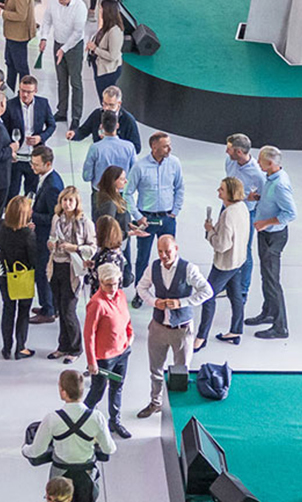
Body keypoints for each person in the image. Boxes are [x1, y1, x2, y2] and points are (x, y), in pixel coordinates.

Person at [134, 235, 211, 419]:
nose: (163, 255)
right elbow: (141, 288)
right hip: (158, 326)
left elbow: (207, 291)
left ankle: (178, 410)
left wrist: (183, 302)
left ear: (176, 248)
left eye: (167, 251)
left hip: (182, 329)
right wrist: (154, 302)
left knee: (181, 371)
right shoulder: (153, 267)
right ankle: (155, 403)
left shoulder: (188, 268)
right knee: (155, 370)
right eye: (160, 251)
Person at [23, 369, 114, 502]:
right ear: (82, 391)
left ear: (63, 391)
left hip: (60, 474)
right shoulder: (96, 418)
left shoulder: (52, 419)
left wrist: (24, 448)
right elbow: (109, 449)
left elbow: (36, 451)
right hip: (86, 475)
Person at [196, 175, 256, 348]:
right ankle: (236, 331)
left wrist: (210, 232)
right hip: (239, 260)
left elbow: (222, 245)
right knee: (236, 295)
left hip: (225, 264)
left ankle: (201, 337)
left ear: (229, 192)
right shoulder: (242, 207)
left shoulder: (228, 213)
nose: (218, 191)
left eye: (221, 189)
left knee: (207, 295)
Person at [126, 133, 184, 307]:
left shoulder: (174, 163)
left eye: (169, 144)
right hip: (147, 218)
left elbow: (179, 187)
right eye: (165, 145)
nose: (169, 148)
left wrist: (175, 211)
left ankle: (169, 291)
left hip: (167, 217)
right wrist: (138, 216)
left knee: (169, 256)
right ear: (154, 147)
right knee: (143, 257)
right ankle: (140, 293)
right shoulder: (140, 166)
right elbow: (127, 193)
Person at [247, 145, 297, 339]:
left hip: (273, 236)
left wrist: (266, 223)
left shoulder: (280, 184)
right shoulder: (272, 178)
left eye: (260, 160)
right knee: (266, 277)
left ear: (269, 163)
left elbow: (290, 213)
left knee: (272, 281)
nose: (257, 162)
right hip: (266, 233)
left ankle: (280, 326)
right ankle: (268, 312)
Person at [83, 263, 134, 439]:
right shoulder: (96, 304)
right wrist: (92, 362)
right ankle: (80, 420)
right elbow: (88, 334)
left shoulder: (120, 295)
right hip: (104, 358)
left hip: (122, 353)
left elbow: (126, 319)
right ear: (100, 282)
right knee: (97, 390)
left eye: (115, 283)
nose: (112, 288)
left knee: (117, 387)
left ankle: (115, 420)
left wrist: (130, 335)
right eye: (108, 284)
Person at [45, 188, 95, 363]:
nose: (67, 204)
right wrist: (51, 243)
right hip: (56, 266)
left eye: (70, 201)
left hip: (73, 270)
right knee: (60, 308)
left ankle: (76, 348)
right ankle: (63, 346)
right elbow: (51, 237)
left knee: (69, 310)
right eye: (64, 200)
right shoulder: (57, 219)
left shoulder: (84, 222)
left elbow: (93, 247)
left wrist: (75, 248)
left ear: (77, 203)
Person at [37, 0, 89, 124]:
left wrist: (63, 49)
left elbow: (77, 34)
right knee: (61, 80)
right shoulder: (54, 1)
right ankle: (62, 111)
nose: (60, 2)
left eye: (64, 0)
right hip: (58, 43)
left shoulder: (80, 7)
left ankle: (76, 117)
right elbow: (47, 20)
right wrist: (44, 37)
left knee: (75, 82)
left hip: (74, 47)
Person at [1, 0, 35, 89]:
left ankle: (25, 92)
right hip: (12, 34)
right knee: (11, 64)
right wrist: (4, 6)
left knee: (20, 67)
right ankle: (10, 93)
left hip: (18, 35)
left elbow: (21, 15)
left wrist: (2, 13)